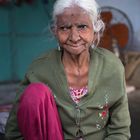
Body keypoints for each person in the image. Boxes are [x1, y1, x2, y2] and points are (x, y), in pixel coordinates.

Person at [5, 0, 131, 139]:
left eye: (82, 26)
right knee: (35, 93)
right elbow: (14, 131)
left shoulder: (112, 67)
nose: (74, 37)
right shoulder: (39, 69)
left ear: (95, 31)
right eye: (65, 28)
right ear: (55, 31)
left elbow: (120, 130)